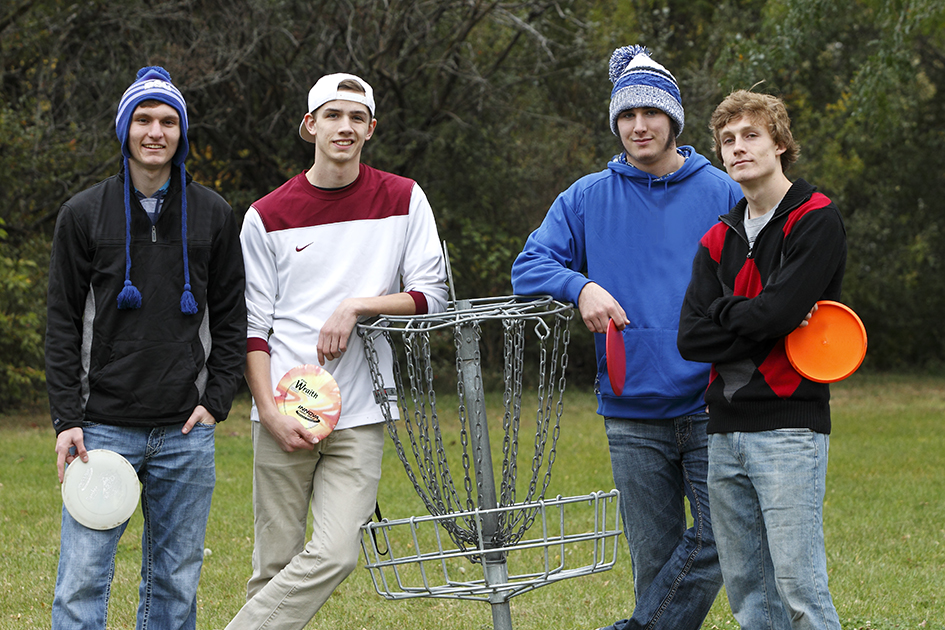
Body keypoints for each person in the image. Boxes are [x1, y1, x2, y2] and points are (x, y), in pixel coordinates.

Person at [511, 46, 743, 630]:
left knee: (724, 537)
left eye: (651, 113)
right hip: (631, 408)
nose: (639, 126)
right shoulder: (588, 197)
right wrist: (580, 286)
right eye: (627, 116)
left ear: (673, 120)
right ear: (616, 124)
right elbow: (528, 267)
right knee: (656, 564)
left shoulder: (721, 192)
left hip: (711, 400)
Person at [228, 73, 448, 629]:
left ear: (370, 129)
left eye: (356, 117)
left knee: (335, 553)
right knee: (273, 566)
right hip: (283, 408)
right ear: (310, 125)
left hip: (363, 409)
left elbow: (433, 297)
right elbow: (251, 329)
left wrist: (357, 306)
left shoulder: (403, 198)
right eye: (332, 115)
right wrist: (269, 414)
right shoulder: (266, 215)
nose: (344, 127)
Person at [46, 66, 247, 629]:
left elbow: (232, 318)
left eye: (167, 121)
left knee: (175, 581)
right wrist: (67, 417)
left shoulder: (213, 214)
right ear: (124, 129)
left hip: (185, 430)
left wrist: (217, 400)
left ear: (181, 132)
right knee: (82, 580)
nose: (154, 131)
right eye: (143, 119)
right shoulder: (84, 213)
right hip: (103, 428)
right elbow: (62, 321)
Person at [677, 89, 846, 630]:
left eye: (751, 135)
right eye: (728, 141)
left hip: (789, 425)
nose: (738, 148)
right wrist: (756, 314)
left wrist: (732, 313)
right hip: (723, 429)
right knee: (750, 591)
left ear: (779, 144)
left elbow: (779, 314)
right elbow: (690, 339)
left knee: (799, 587)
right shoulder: (715, 237)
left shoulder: (815, 217)